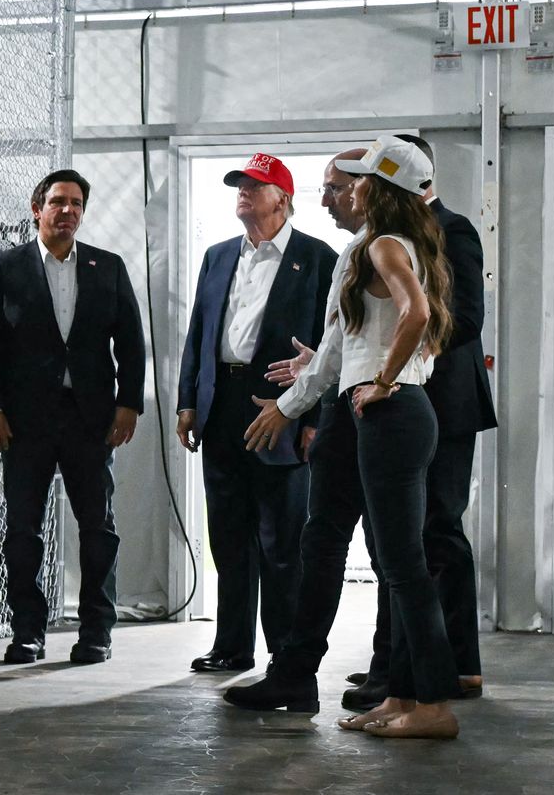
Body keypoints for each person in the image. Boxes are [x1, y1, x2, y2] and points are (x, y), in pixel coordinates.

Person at [237, 136, 460, 739]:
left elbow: (413, 315)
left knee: (404, 566)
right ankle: (405, 697)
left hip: (390, 415)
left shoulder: (385, 244)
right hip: (391, 412)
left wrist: (382, 380)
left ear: (380, 190)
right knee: (397, 562)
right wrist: (363, 370)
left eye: (356, 180)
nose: (346, 188)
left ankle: (434, 706)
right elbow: (366, 339)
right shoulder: (402, 243)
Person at [0, 168, 145, 665]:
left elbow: (131, 342)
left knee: (99, 527)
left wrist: (128, 403)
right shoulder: (2, 269)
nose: (67, 211)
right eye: (57, 202)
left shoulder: (107, 267)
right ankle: (27, 631)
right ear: (37, 209)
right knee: (23, 529)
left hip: (91, 419)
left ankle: (96, 633)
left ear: (83, 213)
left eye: (76, 204)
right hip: (23, 422)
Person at [345, 133, 496, 706]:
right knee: (399, 541)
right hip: (406, 398)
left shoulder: (451, 228)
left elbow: (466, 318)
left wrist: (401, 366)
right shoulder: (384, 237)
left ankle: (457, 666)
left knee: (436, 533)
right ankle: (396, 665)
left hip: (443, 403)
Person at [175, 152, 337, 673]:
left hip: (281, 408)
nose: (243, 193)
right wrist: (187, 402)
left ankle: (285, 653)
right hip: (221, 404)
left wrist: (312, 418)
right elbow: (199, 333)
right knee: (228, 533)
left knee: (281, 539)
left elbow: (331, 345)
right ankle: (231, 645)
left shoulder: (317, 259)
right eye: (239, 185)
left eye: (255, 186)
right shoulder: (219, 255)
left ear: (282, 200)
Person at [222, 149, 367, 714]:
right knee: (323, 543)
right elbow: (337, 348)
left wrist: (300, 408)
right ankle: (290, 670)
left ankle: (411, 684)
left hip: (360, 414)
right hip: (314, 409)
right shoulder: (363, 248)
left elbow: (412, 326)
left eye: (334, 189)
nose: (324, 198)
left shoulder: (356, 251)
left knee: (353, 551)